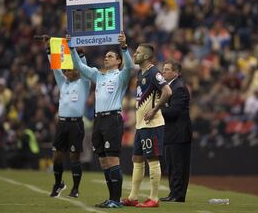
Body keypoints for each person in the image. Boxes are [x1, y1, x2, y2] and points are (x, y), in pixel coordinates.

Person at [68, 31, 133, 208]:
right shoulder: (99, 75)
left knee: (112, 160)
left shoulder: (121, 76)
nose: (106, 58)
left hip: (112, 119)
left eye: (110, 56)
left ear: (118, 61)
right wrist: (72, 48)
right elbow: (79, 68)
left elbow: (130, 67)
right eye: (105, 56)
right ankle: (111, 198)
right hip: (99, 121)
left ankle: (116, 200)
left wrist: (124, 48)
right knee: (104, 162)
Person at [122, 44, 172, 207]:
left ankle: (154, 198)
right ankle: (133, 197)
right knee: (136, 159)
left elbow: (167, 91)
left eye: (137, 52)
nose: (134, 54)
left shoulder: (153, 72)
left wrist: (155, 109)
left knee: (152, 159)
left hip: (153, 124)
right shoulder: (140, 73)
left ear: (145, 56)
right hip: (141, 125)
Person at [40, 35, 91, 198]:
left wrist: (81, 56)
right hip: (62, 124)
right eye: (66, 70)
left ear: (78, 70)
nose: (67, 72)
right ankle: (58, 183)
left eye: (71, 69)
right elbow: (55, 67)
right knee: (57, 157)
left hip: (76, 124)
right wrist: (50, 48)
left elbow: (85, 67)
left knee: (75, 158)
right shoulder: (63, 83)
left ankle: (75, 188)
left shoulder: (84, 83)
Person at [159, 59, 192, 203]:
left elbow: (174, 112)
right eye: (164, 69)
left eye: (167, 69)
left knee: (178, 166)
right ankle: (173, 193)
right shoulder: (171, 86)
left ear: (176, 72)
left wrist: (156, 109)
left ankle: (178, 195)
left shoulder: (179, 87)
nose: (163, 72)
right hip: (172, 132)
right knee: (172, 165)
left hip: (179, 133)